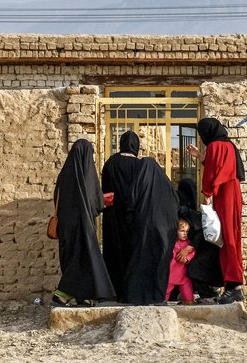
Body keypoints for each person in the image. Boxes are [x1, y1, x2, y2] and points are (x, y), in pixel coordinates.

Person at [186, 118, 245, 305]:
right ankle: (231, 285)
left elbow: (212, 173)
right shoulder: (228, 145)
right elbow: (220, 167)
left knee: (226, 240)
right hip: (232, 193)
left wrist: (207, 193)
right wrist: (201, 157)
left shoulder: (215, 146)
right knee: (232, 238)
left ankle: (234, 286)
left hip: (224, 196)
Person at [52, 139, 115, 306]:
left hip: (66, 226)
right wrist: (104, 201)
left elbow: (57, 198)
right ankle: (62, 293)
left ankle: (83, 296)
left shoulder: (65, 175)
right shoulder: (87, 175)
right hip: (83, 226)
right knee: (83, 259)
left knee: (73, 258)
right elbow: (95, 202)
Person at [123, 157, 179, 305]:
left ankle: (137, 297)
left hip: (144, 230)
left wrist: (130, 224)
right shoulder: (167, 186)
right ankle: (158, 297)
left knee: (141, 261)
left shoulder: (139, 183)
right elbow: (176, 206)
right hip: (166, 232)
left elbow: (131, 204)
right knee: (161, 264)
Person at [101, 130, 140, 302]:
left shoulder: (110, 163)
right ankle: (131, 290)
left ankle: (113, 290)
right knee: (132, 252)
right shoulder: (139, 166)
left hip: (113, 215)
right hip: (133, 217)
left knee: (114, 251)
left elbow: (105, 191)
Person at [175, 178, 223, 304]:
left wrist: (188, 248)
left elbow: (200, 232)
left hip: (207, 248)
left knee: (194, 270)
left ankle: (209, 296)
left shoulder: (186, 212)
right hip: (207, 248)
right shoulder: (190, 212)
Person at [166, 220, 196, 304]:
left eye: (187, 231)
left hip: (183, 274)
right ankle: (162, 302)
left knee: (188, 293)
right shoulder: (172, 242)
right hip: (171, 273)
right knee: (165, 292)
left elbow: (192, 252)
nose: (185, 233)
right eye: (182, 231)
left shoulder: (189, 243)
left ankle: (189, 302)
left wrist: (187, 259)